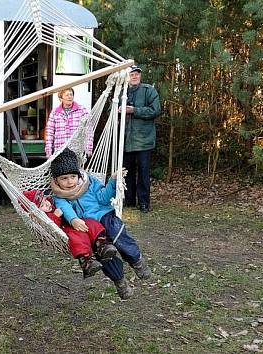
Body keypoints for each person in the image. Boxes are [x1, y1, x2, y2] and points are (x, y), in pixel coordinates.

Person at [51, 148, 152, 299]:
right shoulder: (58, 195)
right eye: (64, 178)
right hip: (88, 228)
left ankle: (137, 261)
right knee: (104, 256)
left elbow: (103, 197)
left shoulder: (89, 183)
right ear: (56, 180)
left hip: (104, 216)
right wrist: (73, 219)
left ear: (78, 175)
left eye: (73, 176)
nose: (70, 181)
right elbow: (64, 208)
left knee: (119, 237)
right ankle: (120, 282)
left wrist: (112, 181)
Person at [23, 190, 117, 278]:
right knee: (78, 238)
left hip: (76, 222)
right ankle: (86, 261)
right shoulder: (41, 217)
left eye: (44, 200)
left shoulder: (53, 201)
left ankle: (102, 244)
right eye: (42, 205)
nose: (47, 204)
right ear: (36, 211)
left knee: (92, 223)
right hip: (65, 230)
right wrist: (55, 216)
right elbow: (49, 227)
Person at [119, 65, 161, 213]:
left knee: (143, 173)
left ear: (140, 76)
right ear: (127, 77)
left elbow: (155, 110)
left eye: (137, 74)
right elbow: (110, 110)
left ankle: (144, 203)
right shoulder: (121, 92)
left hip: (144, 140)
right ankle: (129, 200)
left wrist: (134, 110)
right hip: (126, 140)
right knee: (126, 172)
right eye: (132, 74)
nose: (134, 76)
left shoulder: (149, 90)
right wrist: (118, 111)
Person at [44, 87, 94, 157]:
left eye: (71, 95)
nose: (70, 97)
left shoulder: (82, 110)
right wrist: (48, 150)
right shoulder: (55, 112)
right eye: (67, 95)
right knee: (61, 167)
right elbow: (49, 132)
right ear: (61, 98)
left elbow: (89, 129)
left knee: (74, 168)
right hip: (60, 150)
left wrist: (88, 147)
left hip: (76, 151)